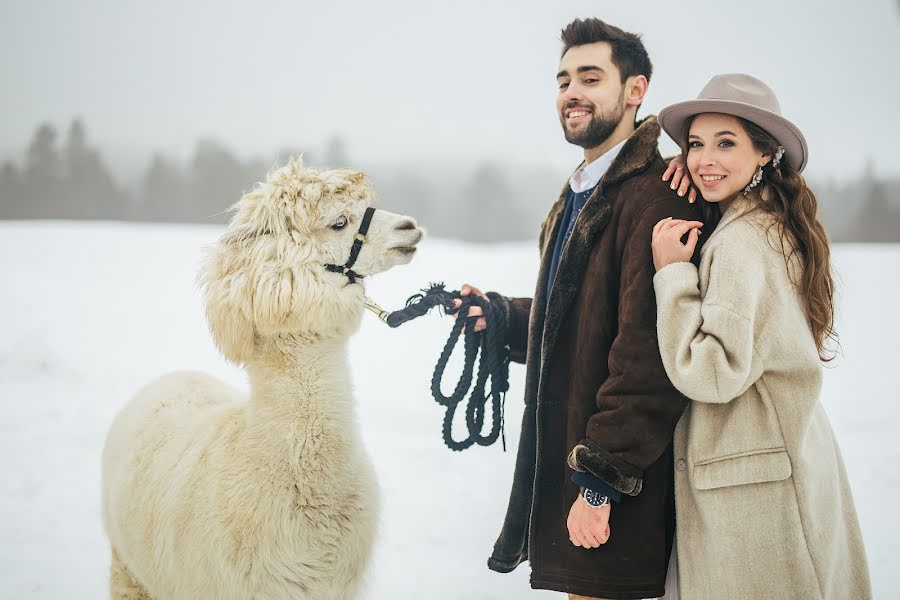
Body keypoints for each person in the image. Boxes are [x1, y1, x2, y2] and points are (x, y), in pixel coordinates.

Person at [457, 18, 704, 599]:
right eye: (564, 79)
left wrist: (599, 485)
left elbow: (648, 356)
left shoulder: (656, 194)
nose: (572, 92)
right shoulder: (586, 189)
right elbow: (583, 317)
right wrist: (506, 320)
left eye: (591, 78)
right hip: (575, 465)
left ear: (635, 90)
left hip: (619, 488)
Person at [650, 73, 872, 599]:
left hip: (756, 487)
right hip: (788, 458)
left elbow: (711, 372)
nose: (705, 159)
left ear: (765, 154)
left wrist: (673, 275)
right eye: (696, 144)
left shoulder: (741, 243)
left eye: (727, 144)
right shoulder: (774, 223)